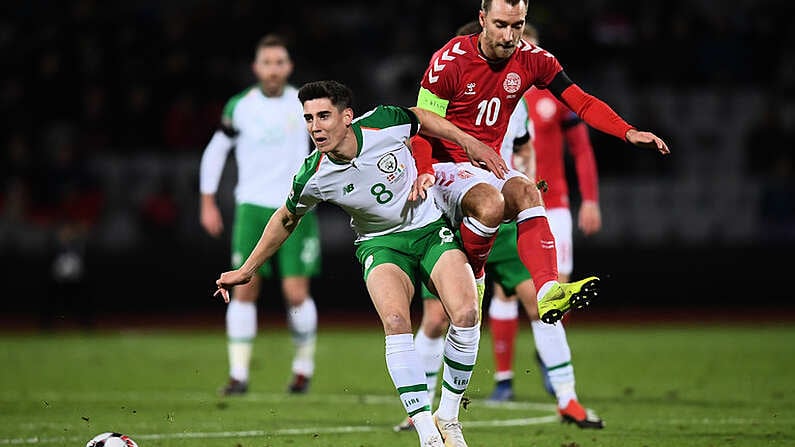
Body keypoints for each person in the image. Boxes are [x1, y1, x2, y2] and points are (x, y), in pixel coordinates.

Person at [215, 80, 500, 447]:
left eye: (323, 116)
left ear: (347, 117)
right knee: (396, 321)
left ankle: (448, 415)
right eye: (307, 119)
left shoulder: (383, 122)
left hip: (429, 229)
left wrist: (468, 142)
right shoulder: (314, 173)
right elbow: (286, 218)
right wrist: (247, 269)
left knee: (465, 315)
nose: (315, 127)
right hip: (381, 246)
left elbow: (422, 119)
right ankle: (428, 434)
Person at [392, 20, 604, 433]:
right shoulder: (453, 88)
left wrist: (526, 179)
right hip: (459, 210)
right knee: (437, 317)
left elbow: (523, 148)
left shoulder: (519, 103)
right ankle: (419, 407)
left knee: (543, 306)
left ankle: (569, 399)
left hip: (506, 219)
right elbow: (422, 134)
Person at [413, 0, 669, 329]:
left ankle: (548, 289)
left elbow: (583, 101)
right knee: (491, 205)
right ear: (482, 19)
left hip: (483, 169)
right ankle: (474, 278)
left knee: (528, 192)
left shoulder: (533, 59)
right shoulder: (450, 60)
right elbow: (421, 126)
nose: (509, 35)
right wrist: (424, 170)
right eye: (501, 24)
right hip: (442, 167)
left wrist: (628, 131)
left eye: (517, 25)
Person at [485, 23, 604, 412]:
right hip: (509, 201)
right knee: (504, 289)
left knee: (553, 294)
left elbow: (582, 149)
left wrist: (590, 200)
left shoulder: (553, 96)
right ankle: (503, 379)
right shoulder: (496, 96)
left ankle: (550, 361)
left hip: (552, 203)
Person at [199, 34, 322, 396]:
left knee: (296, 292)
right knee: (244, 289)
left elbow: (327, 146)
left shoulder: (306, 105)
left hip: (295, 206)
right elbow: (215, 151)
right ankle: (238, 374)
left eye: (279, 62)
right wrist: (207, 200)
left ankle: (303, 369)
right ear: (256, 68)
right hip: (251, 207)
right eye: (267, 62)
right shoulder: (240, 106)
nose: (273, 69)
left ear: (289, 67)